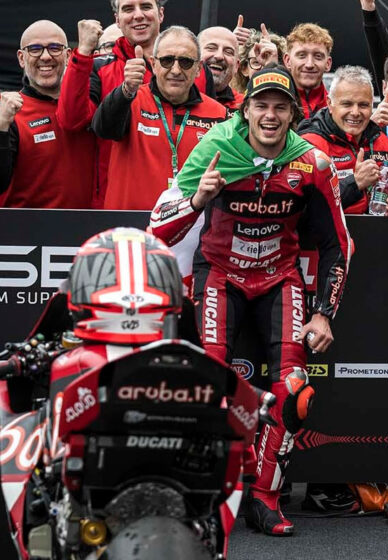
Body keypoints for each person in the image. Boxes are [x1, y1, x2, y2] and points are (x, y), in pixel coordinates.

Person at [149, 66, 352, 535]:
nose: (270, 115)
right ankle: (209, 497)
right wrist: (198, 200)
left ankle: (265, 496)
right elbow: (159, 230)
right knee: (212, 387)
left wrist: (324, 312)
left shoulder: (312, 163)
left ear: (294, 114)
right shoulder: (216, 148)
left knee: (295, 394)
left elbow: (338, 244)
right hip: (219, 275)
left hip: (280, 279)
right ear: (246, 111)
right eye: (261, 105)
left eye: (281, 107)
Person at [57, 0, 213, 207]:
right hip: (121, 205)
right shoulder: (100, 68)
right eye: (128, 9)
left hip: (188, 208)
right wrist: (84, 51)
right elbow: (71, 121)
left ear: (161, 14)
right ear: (117, 20)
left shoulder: (195, 69)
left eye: (146, 7)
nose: (138, 15)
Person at [92, 26, 226, 210]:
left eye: (186, 62)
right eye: (167, 61)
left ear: (198, 69)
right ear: (153, 64)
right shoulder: (130, 99)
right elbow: (102, 128)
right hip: (131, 228)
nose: (176, 70)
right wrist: (126, 89)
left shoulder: (218, 114)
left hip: (189, 228)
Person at [0, 20, 97, 208]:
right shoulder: (10, 113)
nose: (45, 56)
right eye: (35, 49)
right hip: (30, 232)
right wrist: (1, 126)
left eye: (54, 48)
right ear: (21, 58)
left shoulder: (88, 103)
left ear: (68, 55)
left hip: (88, 229)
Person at [299, 65, 388, 216]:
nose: (355, 112)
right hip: (328, 237)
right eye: (347, 104)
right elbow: (303, 208)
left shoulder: (382, 142)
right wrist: (355, 183)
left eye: (363, 105)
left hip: (373, 234)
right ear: (330, 104)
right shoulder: (310, 144)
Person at [284, 23, 333, 120]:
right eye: (302, 55)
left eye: (318, 56)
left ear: (328, 63)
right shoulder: (275, 105)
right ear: (287, 60)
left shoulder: (338, 109)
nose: (309, 64)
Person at [232, 28, 286, 94]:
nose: (264, 69)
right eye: (256, 62)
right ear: (244, 69)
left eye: (270, 62)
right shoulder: (236, 102)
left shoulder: (291, 101)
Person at [199, 26, 240, 111]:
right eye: (211, 48)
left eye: (228, 52)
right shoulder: (175, 97)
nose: (219, 56)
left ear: (236, 66)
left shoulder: (245, 106)